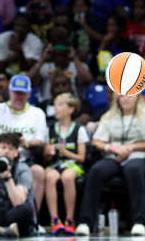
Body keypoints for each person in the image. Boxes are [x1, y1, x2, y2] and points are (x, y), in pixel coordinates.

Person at [76, 94, 145, 236]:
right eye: (122, 96)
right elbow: (96, 141)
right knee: (96, 170)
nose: (126, 99)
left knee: (133, 169)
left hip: (139, 156)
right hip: (114, 156)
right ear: (117, 99)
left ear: (137, 98)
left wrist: (131, 147)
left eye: (130, 96)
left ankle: (140, 222)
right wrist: (113, 148)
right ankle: (86, 222)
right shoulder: (109, 116)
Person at [0, 75, 48, 217]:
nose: (19, 96)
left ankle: (33, 218)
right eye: (16, 92)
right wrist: (6, 146)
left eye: (22, 93)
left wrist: (25, 143)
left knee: (39, 172)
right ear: (10, 92)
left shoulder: (37, 113)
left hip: (23, 160)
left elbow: (40, 141)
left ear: (29, 93)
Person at [43, 93, 88, 236]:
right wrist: (48, 154)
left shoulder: (79, 129)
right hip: (56, 164)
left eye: (60, 105)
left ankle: (69, 219)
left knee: (68, 177)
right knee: (49, 176)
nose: (56, 108)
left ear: (71, 109)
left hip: (73, 164)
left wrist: (65, 152)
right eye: (55, 105)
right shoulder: (49, 129)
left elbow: (82, 157)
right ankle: (54, 220)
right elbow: (46, 158)